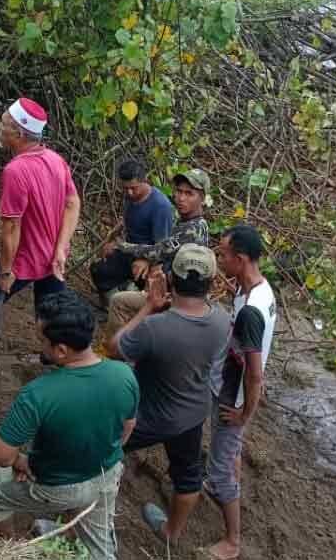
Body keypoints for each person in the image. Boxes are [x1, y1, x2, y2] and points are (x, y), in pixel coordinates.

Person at [0, 290, 139, 560]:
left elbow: (0, 455)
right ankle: (78, 537)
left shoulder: (38, 393)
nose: (41, 345)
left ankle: (9, 549)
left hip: (56, 486)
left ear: (61, 350)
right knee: (101, 549)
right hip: (107, 476)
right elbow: (128, 427)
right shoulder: (124, 374)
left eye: (42, 340)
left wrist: (22, 463)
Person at [0, 98, 80, 392]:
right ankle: (62, 364)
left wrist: (6, 271)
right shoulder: (55, 159)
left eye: (4, 123)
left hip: (27, 260)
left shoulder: (16, 171)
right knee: (52, 314)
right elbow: (73, 203)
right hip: (52, 259)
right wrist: (61, 248)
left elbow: (10, 228)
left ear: (19, 133)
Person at [105, 244, 230, 543]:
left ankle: (85, 520)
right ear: (212, 283)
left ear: (170, 279)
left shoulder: (154, 326)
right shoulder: (222, 319)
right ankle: (171, 533)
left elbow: (114, 348)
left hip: (146, 414)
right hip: (191, 414)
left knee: (100, 452)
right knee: (187, 477)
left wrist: (149, 304)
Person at [204, 224, 276, 560]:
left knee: (220, 463)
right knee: (228, 450)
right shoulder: (257, 289)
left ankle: (232, 541)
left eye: (223, 255)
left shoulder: (250, 311)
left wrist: (245, 413)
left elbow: (256, 374)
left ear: (241, 258)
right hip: (231, 382)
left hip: (235, 394)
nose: (220, 260)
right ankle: (227, 480)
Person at [106, 168, 210, 332]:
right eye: (179, 192)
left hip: (176, 301)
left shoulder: (191, 229)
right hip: (171, 290)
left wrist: (122, 246)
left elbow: (159, 250)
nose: (181, 198)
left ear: (202, 198)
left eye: (189, 194)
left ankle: (119, 351)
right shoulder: (193, 223)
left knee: (118, 302)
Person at [90, 159, 174, 307]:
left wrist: (147, 261)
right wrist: (113, 240)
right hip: (129, 251)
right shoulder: (130, 196)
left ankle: (133, 306)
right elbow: (129, 221)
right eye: (125, 188)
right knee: (99, 269)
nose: (129, 192)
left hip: (151, 258)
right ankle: (113, 305)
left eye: (133, 188)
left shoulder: (160, 206)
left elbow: (164, 247)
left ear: (144, 180)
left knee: (152, 288)